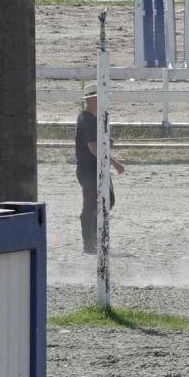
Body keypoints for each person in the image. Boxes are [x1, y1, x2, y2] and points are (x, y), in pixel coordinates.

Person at [76, 85, 125, 254]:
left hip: (98, 167)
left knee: (108, 200)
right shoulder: (86, 119)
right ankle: (89, 243)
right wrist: (114, 163)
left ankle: (94, 238)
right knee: (91, 205)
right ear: (91, 100)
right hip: (89, 169)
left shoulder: (97, 118)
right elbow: (94, 148)